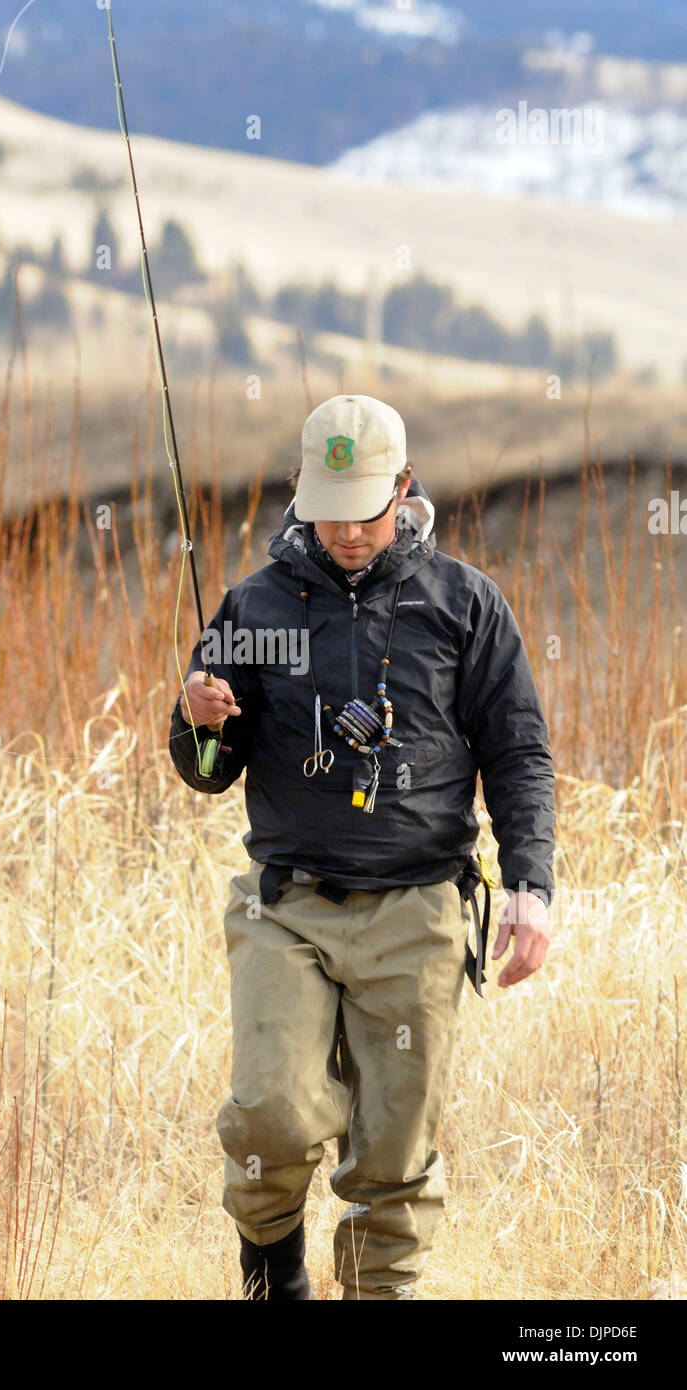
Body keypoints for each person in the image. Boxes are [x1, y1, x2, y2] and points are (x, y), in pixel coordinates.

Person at [167, 394, 554, 1300]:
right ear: (302, 493)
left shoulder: (465, 605)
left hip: (418, 911)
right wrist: (198, 724)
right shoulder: (253, 606)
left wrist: (530, 885)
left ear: (405, 488)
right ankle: (272, 1266)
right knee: (271, 1116)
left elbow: (518, 751)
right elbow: (208, 771)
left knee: (391, 1153)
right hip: (286, 907)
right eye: (328, 508)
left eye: (366, 508)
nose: (346, 530)